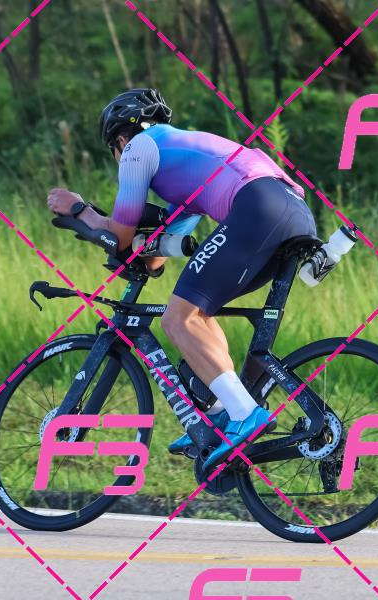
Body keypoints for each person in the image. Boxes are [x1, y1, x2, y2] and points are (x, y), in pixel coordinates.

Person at [46, 88, 317, 471]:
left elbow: (120, 236)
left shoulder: (138, 148)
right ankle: (224, 412)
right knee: (196, 312)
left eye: (113, 150)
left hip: (257, 207)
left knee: (176, 320)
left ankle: (244, 413)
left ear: (120, 139)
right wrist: (139, 255)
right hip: (292, 210)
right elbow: (154, 255)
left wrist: (80, 210)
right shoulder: (182, 161)